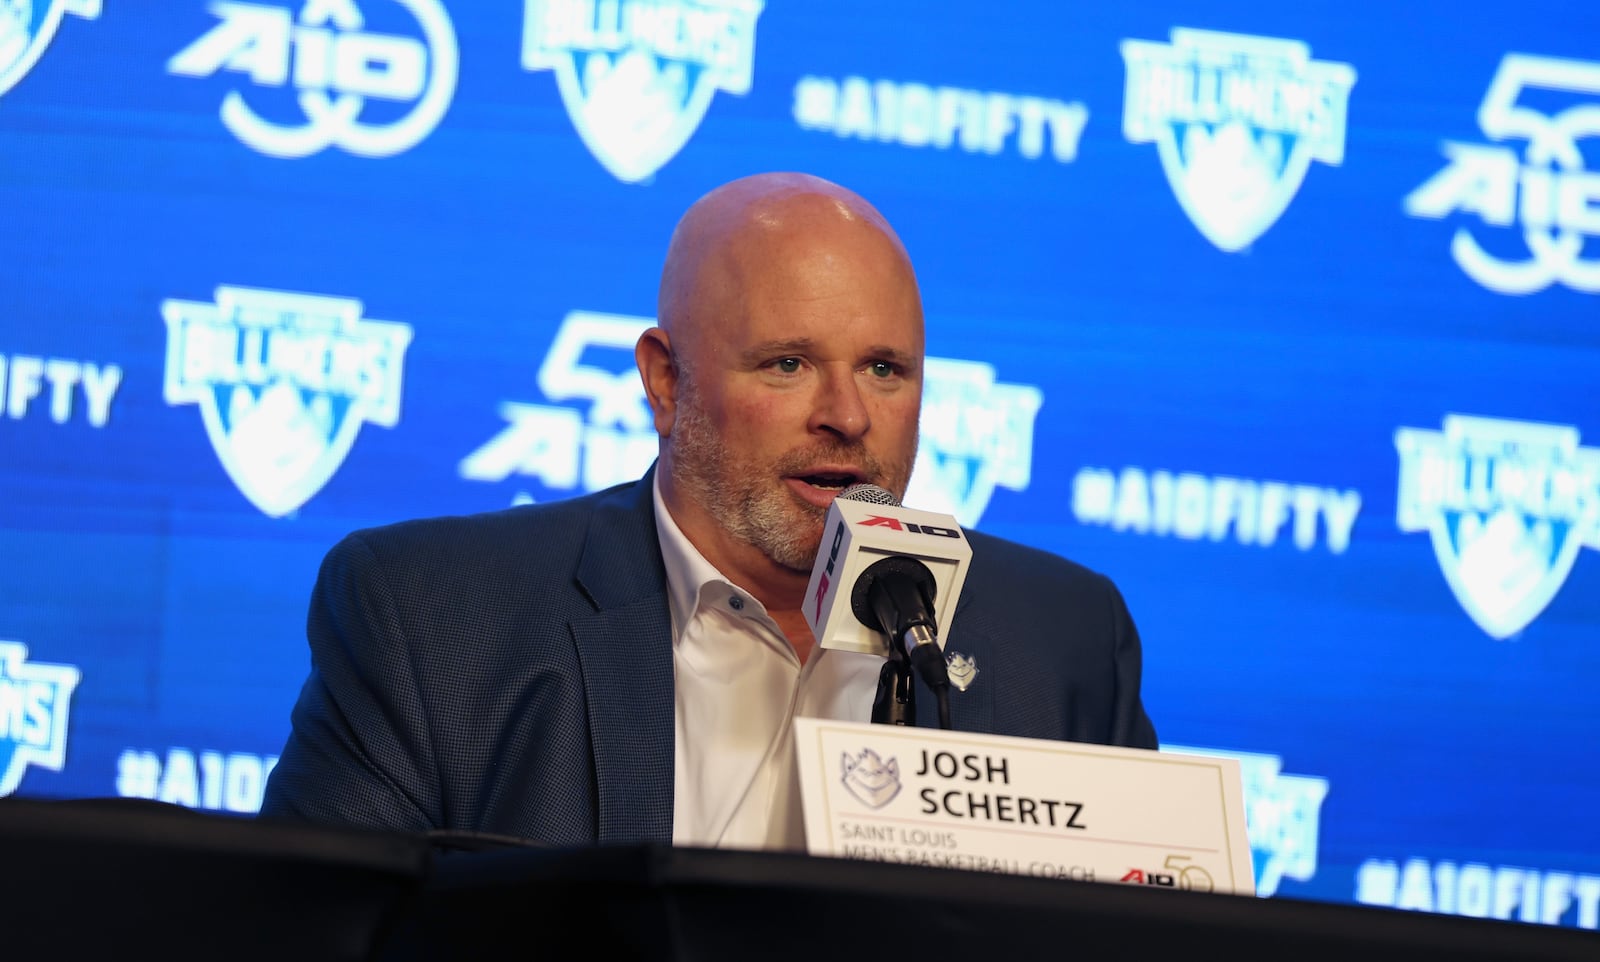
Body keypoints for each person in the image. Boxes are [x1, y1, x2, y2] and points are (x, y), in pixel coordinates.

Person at [259, 171, 1157, 849]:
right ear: (664, 380)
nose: (847, 416)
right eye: (787, 364)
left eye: (885, 369)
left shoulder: (1061, 642)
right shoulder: (433, 621)